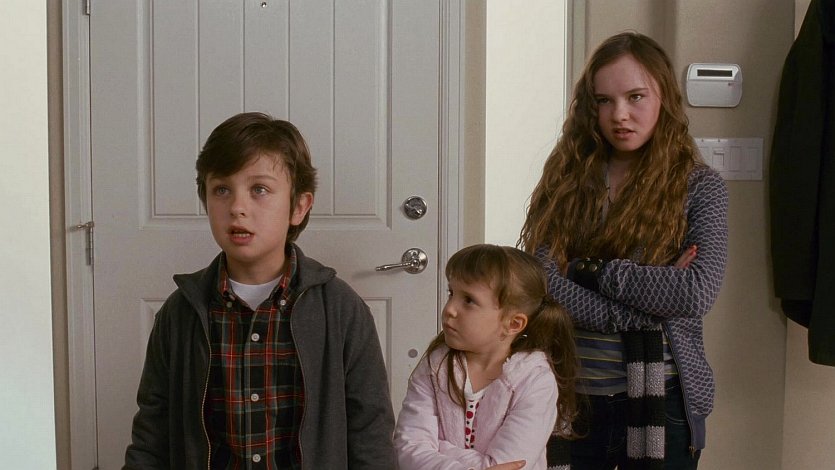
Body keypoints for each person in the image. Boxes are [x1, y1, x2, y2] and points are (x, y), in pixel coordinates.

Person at [123, 112, 396, 469]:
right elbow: (152, 437)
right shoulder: (180, 313)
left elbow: (371, 436)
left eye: (259, 190)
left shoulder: (341, 310)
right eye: (222, 190)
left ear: (299, 207)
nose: (237, 208)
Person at [519, 32, 728, 469]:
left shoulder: (700, 187)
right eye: (604, 101)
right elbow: (542, 282)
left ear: (664, 97)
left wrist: (586, 271)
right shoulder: (566, 181)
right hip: (570, 398)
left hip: (664, 401)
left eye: (636, 97)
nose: (619, 115)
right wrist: (646, 307)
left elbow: (694, 292)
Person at [394, 244, 578, 470]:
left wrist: (438, 448)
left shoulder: (536, 380)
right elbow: (407, 450)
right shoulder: (434, 365)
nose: (449, 309)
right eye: (452, 293)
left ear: (513, 324)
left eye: (469, 300)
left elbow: (507, 466)